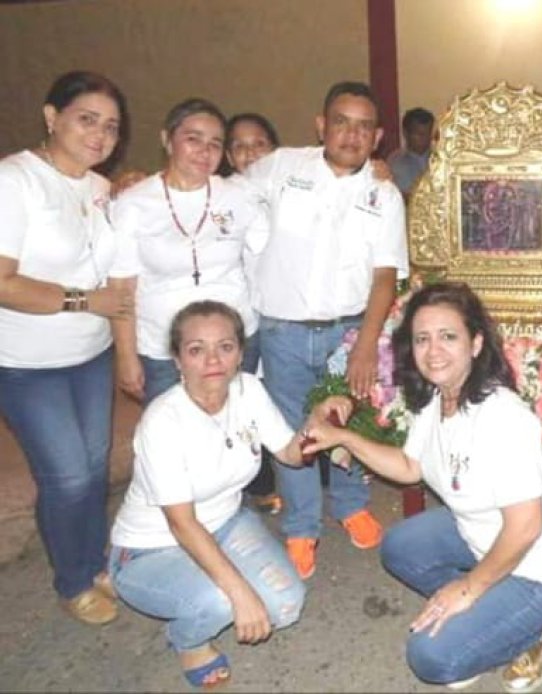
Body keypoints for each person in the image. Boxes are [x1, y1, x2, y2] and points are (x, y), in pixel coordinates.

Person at [302, 282, 542, 692]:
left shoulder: (503, 418)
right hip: (482, 537)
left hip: (540, 568)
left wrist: (467, 588)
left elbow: (525, 527)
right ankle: (488, 613)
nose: (434, 351)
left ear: (475, 343)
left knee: (432, 658)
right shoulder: (439, 398)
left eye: (448, 336)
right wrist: (344, 438)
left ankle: (532, 629)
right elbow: (409, 465)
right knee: (399, 547)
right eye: (422, 339)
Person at [109, 301, 323, 688]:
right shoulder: (163, 420)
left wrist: (320, 422)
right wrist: (239, 591)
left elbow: (290, 454)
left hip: (227, 524)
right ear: (176, 359)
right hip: (150, 548)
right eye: (196, 349)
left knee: (286, 607)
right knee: (223, 601)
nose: (213, 359)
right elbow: (181, 524)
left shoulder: (249, 390)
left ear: (241, 353)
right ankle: (187, 640)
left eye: (225, 347)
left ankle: (212, 587)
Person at [244, 81, 409, 581]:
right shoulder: (280, 168)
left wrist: (364, 346)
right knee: (295, 430)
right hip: (283, 331)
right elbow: (215, 190)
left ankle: (351, 503)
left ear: (377, 136)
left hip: (348, 330)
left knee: (347, 419)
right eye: (341, 121)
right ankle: (300, 527)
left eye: (363, 126)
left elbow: (385, 276)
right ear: (322, 125)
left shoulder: (384, 193)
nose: (351, 134)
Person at [0, 70, 133, 625]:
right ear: (52, 117)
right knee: (67, 475)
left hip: (91, 355)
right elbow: (3, 281)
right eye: (87, 119)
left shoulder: (101, 189)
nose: (99, 134)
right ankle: (73, 578)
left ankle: (96, 559)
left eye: (110, 126)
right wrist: (85, 302)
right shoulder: (15, 180)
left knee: (94, 468)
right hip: (28, 364)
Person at [109, 97, 269, 405]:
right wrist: (126, 356)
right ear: (167, 140)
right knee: (174, 438)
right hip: (163, 346)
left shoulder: (239, 196)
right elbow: (121, 287)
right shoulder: (135, 202)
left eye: (215, 143)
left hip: (234, 341)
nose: (204, 151)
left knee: (236, 430)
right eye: (193, 139)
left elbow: (273, 253)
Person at [222, 111, 283, 516]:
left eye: (258, 142)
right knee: (237, 399)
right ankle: (251, 485)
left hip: (281, 314)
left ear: (274, 148)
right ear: (228, 154)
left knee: (277, 400)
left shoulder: (291, 185)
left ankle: (290, 476)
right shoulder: (220, 192)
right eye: (239, 145)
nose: (250, 153)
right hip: (237, 317)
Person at [387, 106, 435, 198]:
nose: (425, 138)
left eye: (428, 133)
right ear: (406, 133)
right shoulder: (394, 163)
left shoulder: (441, 159)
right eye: (419, 134)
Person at [223, 112, 280, 181]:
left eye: (259, 144)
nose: (250, 152)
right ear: (230, 158)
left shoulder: (289, 181)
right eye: (240, 146)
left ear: (274, 150)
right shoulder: (224, 189)